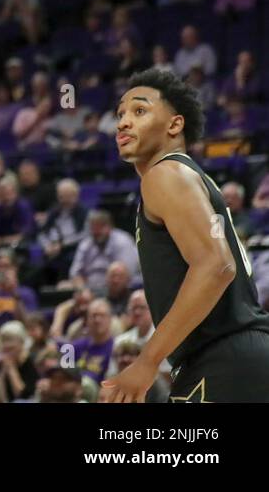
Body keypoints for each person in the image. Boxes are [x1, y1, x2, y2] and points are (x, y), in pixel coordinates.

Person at [102, 68, 269, 402]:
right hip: (237, 356)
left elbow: (216, 266)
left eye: (139, 110)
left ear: (174, 125)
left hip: (224, 358)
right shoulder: (187, 176)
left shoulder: (164, 174)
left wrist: (147, 362)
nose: (122, 122)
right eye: (120, 114)